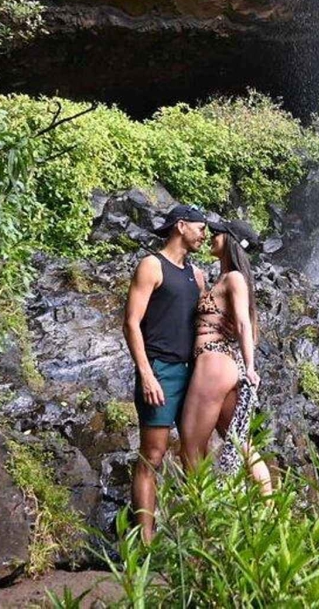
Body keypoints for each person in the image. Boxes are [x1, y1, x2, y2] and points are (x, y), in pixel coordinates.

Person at [122, 203, 207, 538]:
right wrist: (146, 373)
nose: (204, 235)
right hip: (161, 370)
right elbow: (131, 322)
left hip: (193, 373)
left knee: (195, 455)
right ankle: (145, 541)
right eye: (200, 228)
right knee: (153, 455)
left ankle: (195, 539)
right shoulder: (152, 266)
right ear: (181, 225)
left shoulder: (196, 275)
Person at [178, 216, 273, 494]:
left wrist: (251, 368)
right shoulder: (221, 279)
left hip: (214, 362)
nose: (211, 235)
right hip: (220, 363)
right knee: (240, 441)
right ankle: (269, 508)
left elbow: (244, 323)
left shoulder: (234, 278)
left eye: (217, 232)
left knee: (191, 445)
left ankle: (202, 514)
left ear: (229, 240)